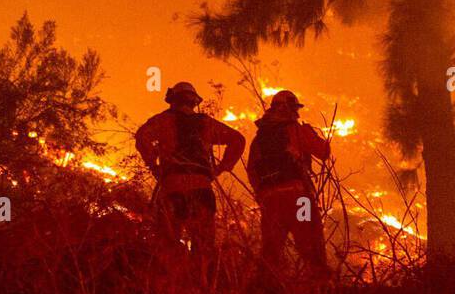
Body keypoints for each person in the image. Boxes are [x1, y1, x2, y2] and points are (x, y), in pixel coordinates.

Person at [135, 81, 245, 253]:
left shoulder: (163, 120)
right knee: (203, 249)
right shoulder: (206, 123)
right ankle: (201, 277)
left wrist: (153, 165)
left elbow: (142, 137)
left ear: (172, 100)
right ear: (194, 102)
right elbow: (238, 139)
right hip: (201, 189)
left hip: (172, 187)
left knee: (167, 247)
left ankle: (172, 277)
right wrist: (221, 168)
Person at [247, 90, 330, 277]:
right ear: (292, 109)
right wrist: (311, 133)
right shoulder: (297, 131)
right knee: (310, 240)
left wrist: (262, 195)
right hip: (300, 198)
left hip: (270, 200)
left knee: (271, 250)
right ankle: (320, 291)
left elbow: (252, 171)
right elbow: (323, 152)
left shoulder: (258, 139)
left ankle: (267, 293)